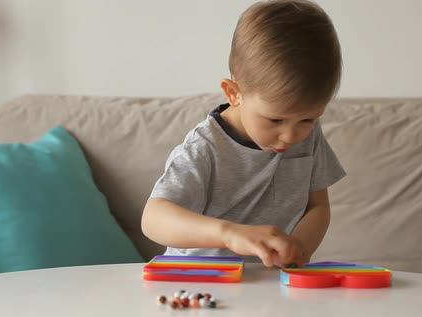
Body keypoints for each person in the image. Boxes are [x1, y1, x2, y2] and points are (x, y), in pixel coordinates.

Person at [141, 0, 346, 268]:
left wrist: (300, 248)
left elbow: (317, 206)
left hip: (267, 283)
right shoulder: (205, 147)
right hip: (197, 282)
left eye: (308, 118)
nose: (290, 136)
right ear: (234, 94)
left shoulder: (308, 134)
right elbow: (153, 218)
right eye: (275, 119)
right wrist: (229, 234)